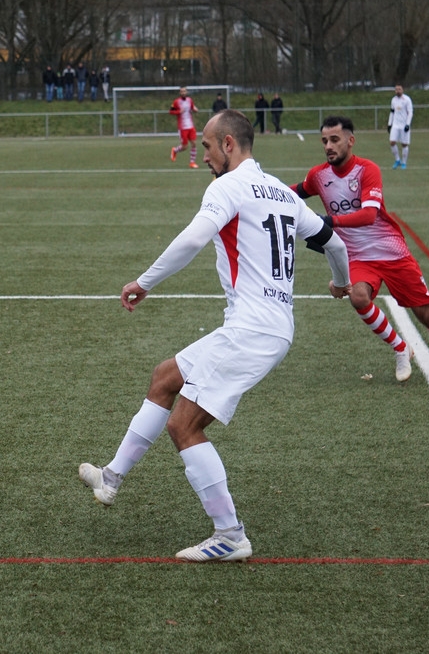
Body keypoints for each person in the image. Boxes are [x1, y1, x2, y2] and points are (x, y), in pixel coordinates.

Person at [78, 109, 352, 562]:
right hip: (268, 326)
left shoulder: (229, 186)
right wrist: (340, 283)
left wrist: (144, 282)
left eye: (207, 146)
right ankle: (111, 478)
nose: (203, 155)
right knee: (166, 377)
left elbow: (192, 240)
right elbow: (336, 244)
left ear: (228, 144)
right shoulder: (283, 192)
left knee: (184, 425)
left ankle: (230, 534)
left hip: (252, 330)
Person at [294, 115, 429, 382]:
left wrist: (329, 221)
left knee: (427, 315)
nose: (328, 146)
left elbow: (368, 215)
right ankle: (401, 349)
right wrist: (261, 191)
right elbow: (293, 192)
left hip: (392, 253)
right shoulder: (318, 176)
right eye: (324, 141)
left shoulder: (367, 170)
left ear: (350, 141)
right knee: (358, 297)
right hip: (358, 258)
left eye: (334, 140)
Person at [169, 86, 199, 169]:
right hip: (182, 127)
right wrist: (179, 111)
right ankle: (175, 150)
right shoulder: (176, 102)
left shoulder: (190, 100)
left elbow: (192, 108)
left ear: (186, 92)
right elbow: (170, 111)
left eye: (184, 91)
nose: (183, 93)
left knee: (194, 144)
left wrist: (195, 109)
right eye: (182, 91)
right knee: (185, 146)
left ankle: (192, 163)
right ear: (180, 93)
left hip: (190, 126)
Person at [388, 84, 413, 169]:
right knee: (392, 142)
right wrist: (389, 124)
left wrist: (407, 124)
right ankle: (397, 160)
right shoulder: (393, 100)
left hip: (404, 125)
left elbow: (410, 113)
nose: (398, 91)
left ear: (402, 90)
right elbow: (392, 112)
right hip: (395, 125)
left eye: (399, 89)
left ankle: (404, 163)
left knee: (404, 144)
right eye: (396, 89)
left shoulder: (407, 99)